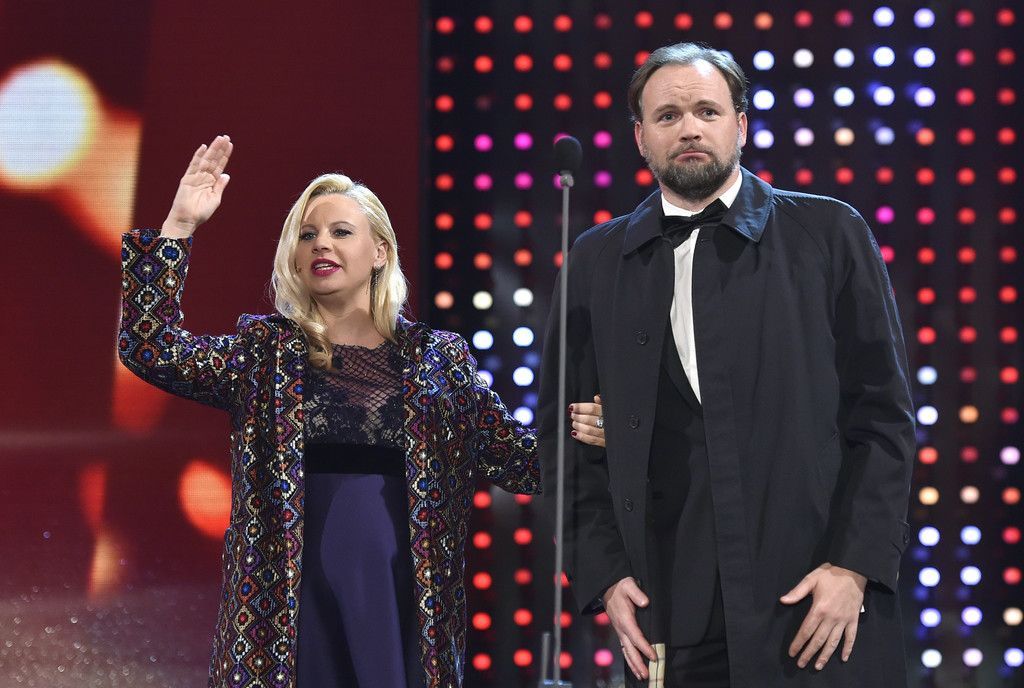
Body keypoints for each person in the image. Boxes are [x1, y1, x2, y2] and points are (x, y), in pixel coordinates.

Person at [117, 135, 605, 688]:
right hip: (286, 608)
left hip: (401, 601)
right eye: (307, 235)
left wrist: (590, 432)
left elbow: (523, 462)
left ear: (380, 252)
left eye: (341, 231)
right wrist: (179, 226)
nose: (320, 244)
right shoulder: (264, 353)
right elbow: (150, 348)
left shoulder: (438, 361)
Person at [539, 43, 915, 687]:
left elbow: (883, 418)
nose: (689, 128)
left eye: (707, 111)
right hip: (670, 608)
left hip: (815, 602)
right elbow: (563, 446)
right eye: (668, 115)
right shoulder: (597, 261)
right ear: (640, 137)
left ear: (740, 125)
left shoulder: (828, 233)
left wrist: (853, 566)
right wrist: (602, 575)